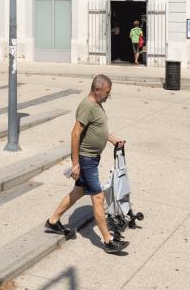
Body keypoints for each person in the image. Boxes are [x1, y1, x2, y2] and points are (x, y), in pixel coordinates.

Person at [45, 74, 130, 253]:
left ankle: (53, 221)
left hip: (92, 158)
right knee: (98, 198)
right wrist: (75, 164)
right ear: (97, 90)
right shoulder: (87, 106)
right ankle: (108, 241)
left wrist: (112, 139)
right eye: (107, 92)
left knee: (78, 192)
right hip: (86, 159)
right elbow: (75, 134)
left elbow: (97, 128)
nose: (108, 96)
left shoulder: (97, 105)